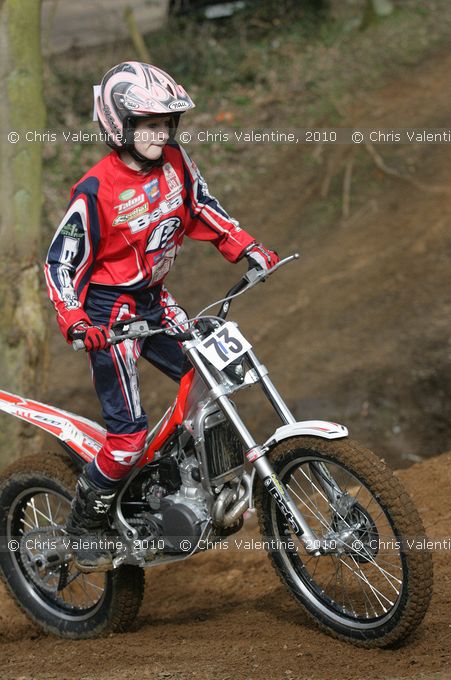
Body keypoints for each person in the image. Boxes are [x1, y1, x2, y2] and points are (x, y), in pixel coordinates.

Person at [45, 61, 279, 571]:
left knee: (210, 380)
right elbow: (60, 262)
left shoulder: (175, 160)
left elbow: (200, 205)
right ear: (118, 124)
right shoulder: (95, 190)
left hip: (155, 299)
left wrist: (246, 246)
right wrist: (78, 322)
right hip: (110, 315)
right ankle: (85, 524)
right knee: (128, 439)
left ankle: (184, 482)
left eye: (166, 122)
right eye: (149, 123)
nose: (161, 132)